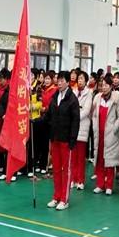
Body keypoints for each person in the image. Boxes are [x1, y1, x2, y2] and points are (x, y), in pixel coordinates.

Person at [38, 71, 80, 210]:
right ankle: (56, 197)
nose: (60, 83)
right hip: (55, 138)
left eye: (62, 81)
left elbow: (76, 121)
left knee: (65, 170)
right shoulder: (55, 96)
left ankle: (64, 199)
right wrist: (35, 122)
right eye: (59, 80)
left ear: (68, 82)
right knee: (56, 169)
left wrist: (73, 139)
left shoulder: (72, 99)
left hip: (66, 140)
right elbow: (48, 116)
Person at [92, 74, 119, 195]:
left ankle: (109, 185)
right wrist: (95, 127)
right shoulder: (97, 99)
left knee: (109, 161)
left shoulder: (116, 100)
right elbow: (94, 115)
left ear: (111, 86)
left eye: (106, 85)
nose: (104, 87)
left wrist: (114, 128)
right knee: (99, 160)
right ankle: (100, 184)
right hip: (99, 135)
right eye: (102, 85)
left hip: (110, 135)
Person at [71, 71, 92, 190]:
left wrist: (75, 117)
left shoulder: (89, 93)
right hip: (73, 127)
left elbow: (86, 110)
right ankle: (73, 179)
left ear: (86, 81)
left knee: (80, 157)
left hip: (82, 126)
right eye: (79, 79)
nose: (80, 81)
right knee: (73, 156)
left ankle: (81, 180)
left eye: (82, 79)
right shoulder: (73, 92)